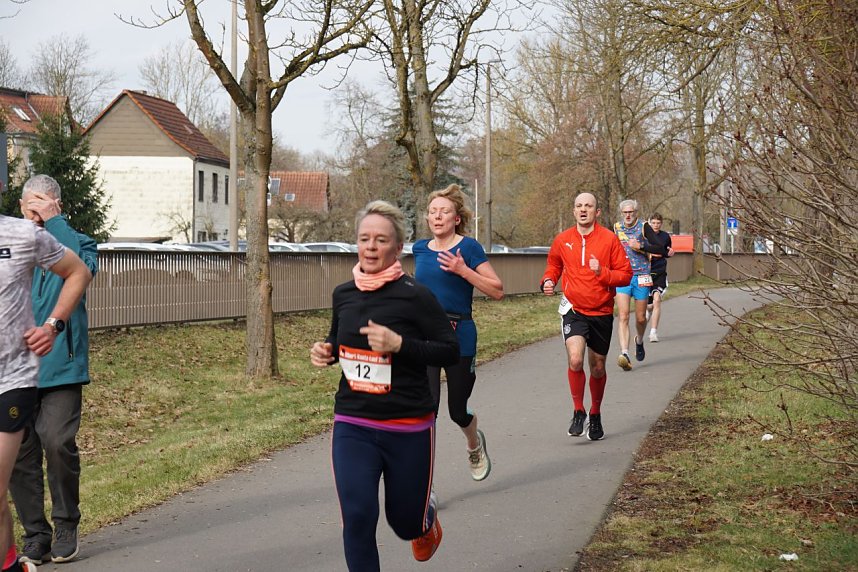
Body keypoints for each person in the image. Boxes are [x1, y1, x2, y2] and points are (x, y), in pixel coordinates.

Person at [310, 200, 459, 571]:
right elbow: (337, 340)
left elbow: (449, 351)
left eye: (381, 240)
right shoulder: (343, 294)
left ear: (397, 248)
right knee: (358, 517)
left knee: (403, 522)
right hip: (353, 422)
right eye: (364, 239)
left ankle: (424, 521)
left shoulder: (415, 295)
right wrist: (327, 351)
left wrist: (400, 345)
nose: (372, 247)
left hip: (408, 425)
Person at [11, 175, 98, 565]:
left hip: (60, 366)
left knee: (56, 442)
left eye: (42, 204)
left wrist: (56, 224)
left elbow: (83, 272)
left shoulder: (77, 241)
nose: (35, 212)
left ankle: (66, 523)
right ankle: (35, 534)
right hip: (14, 369)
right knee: (18, 453)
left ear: (56, 205)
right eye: (29, 204)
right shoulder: (12, 243)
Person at [412, 184, 503, 482]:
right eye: (433, 212)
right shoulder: (420, 249)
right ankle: (425, 485)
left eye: (445, 212)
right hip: (425, 338)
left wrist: (464, 270)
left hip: (459, 335)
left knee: (456, 410)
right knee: (427, 411)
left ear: (457, 218)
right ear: (428, 219)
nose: (438, 217)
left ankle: (474, 443)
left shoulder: (469, 248)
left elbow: (497, 290)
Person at [541, 193, 632, 441]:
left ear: (597, 212)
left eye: (588, 206)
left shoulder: (609, 240)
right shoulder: (563, 240)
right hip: (574, 309)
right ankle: (578, 410)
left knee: (599, 367)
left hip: (601, 311)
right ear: (574, 211)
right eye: (579, 206)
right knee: (574, 359)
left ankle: (595, 413)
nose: (583, 210)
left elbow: (625, 275)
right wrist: (548, 280)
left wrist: (602, 272)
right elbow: (554, 265)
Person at [612, 199, 667, 371]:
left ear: (636, 213)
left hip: (642, 276)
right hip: (623, 276)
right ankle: (625, 353)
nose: (628, 215)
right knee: (623, 316)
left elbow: (659, 248)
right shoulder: (616, 228)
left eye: (631, 212)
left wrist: (641, 246)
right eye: (625, 213)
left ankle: (639, 340)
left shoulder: (644, 227)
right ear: (621, 214)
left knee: (641, 318)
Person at [646, 213, 674, 343]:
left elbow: (667, 251)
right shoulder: (644, 236)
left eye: (658, 223)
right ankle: (648, 309)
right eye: (653, 223)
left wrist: (670, 253)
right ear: (649, 223)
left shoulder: (665, 236)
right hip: (646, 271)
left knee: (657, 300)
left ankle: (653, 332)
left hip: (660, 270)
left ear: (661, 224)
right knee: (649, 304)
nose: (656, 225)